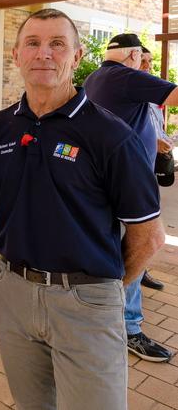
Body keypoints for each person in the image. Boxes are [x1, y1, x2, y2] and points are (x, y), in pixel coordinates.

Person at [0, 9, 166, 409]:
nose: (44, 54)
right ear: (17, 55)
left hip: (85, 301)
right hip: (13, 296)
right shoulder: (0, 128)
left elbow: (149, 236)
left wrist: (104, 294)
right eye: (33, 43)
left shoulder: (110, 135)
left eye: (58, 44)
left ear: (76, 56)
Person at [84, 33, 177, 362]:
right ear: (134, 55)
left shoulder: (96, 77)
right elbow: (174, 95)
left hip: (103, 178)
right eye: (143, 59)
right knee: (140, 243)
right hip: (125, 182)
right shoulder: (126, 76)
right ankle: (129, 328)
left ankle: (110, 315)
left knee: (123, 246)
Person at [140, 46, 170, 290]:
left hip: (151, 165)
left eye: (149, 61)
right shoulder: (126, 94)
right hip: (135, 170)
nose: (147, 66)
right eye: (143, 60)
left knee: (150, 221)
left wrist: (163, 140)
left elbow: (156, 127)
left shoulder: (152, 95)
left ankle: (142, 270)